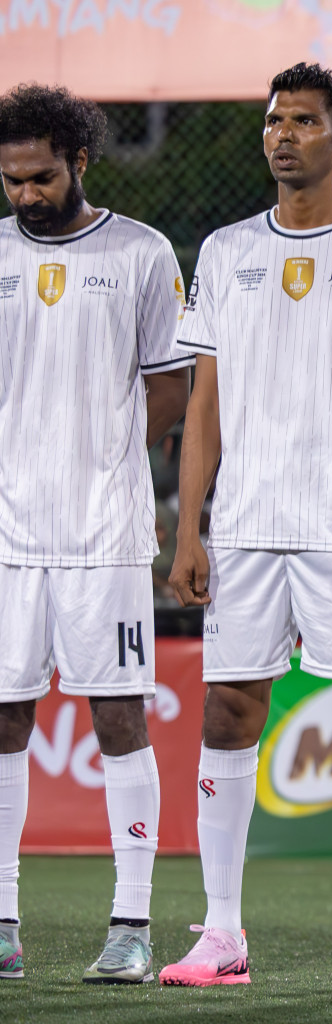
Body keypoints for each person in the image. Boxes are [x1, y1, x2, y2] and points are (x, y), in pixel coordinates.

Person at [163, 63, 332, 990]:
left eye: (305, 122)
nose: (284, 135)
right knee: (228, 711)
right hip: (244, 526)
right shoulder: (225, 248)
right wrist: (189, 526)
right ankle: (225, 933)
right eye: (275, 121)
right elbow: (205, 400)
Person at [0, 83, 191, 984]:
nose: (25, 196)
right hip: (5, 534)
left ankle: (131, 923)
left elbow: (168, 389)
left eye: (40, 178)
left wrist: (105, 461)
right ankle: (1, 918)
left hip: (104, 534)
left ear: (80, 162)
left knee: (117, 716)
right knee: (2, 719)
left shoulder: (143, 253)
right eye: (10, 181)